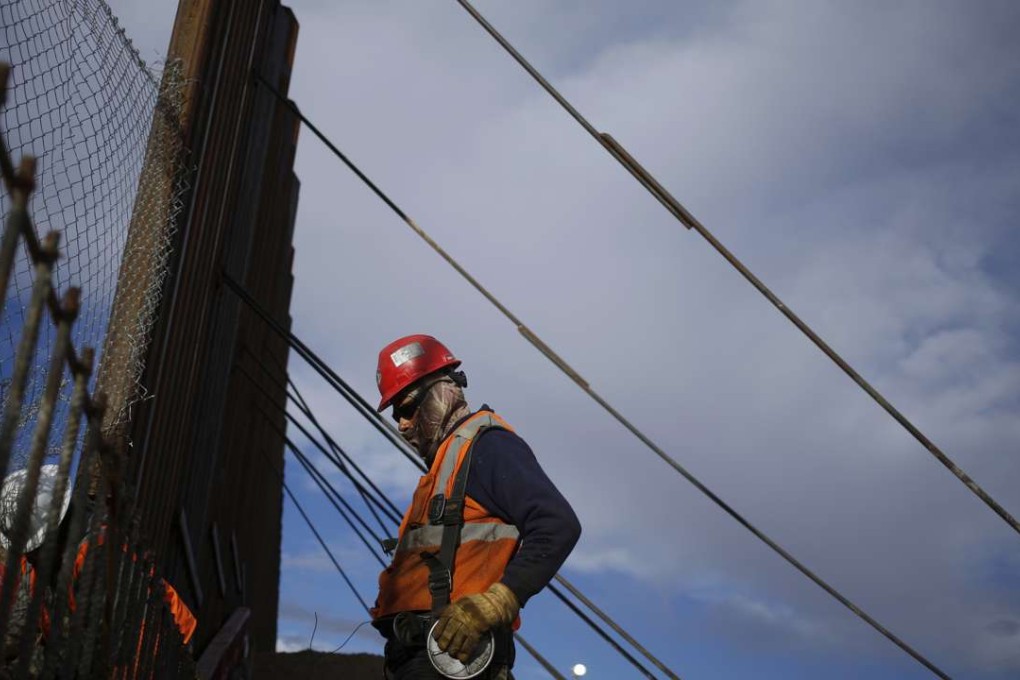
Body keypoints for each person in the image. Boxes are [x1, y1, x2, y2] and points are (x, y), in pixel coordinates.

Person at [371, 335, 581, 679]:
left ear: (443, 391)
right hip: (424, 659)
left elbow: (557, 524)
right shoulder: (445, 468)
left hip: (457, 657)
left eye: (407, 408)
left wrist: (497, 601)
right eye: (396, 414)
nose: (402, 425)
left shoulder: (488, 447)